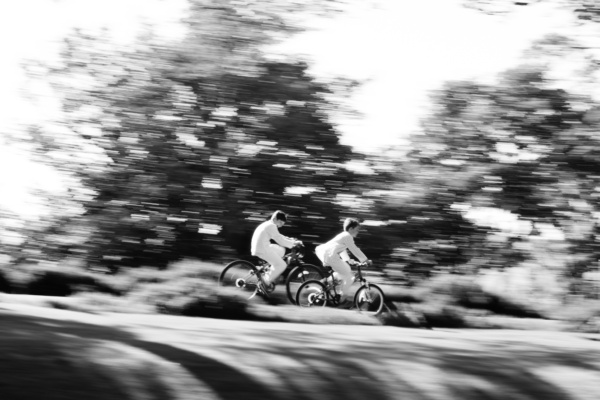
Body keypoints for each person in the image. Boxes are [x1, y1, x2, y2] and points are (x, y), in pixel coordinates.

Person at [315, 218, 371, 303]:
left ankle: (326, 282)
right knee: (349, 275)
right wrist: (365, 260)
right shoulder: (347, 236)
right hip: (330, 255)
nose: (358, 232)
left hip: (325, 253)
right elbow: (354, 249)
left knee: (345, 271)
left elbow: (341, 250)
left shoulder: (343, 235)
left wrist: (348, 260)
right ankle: (342, 298)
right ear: (351, 228)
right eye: (357, 229)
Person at [251, 210, 302, 290]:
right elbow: (280, 240)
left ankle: (268, 268)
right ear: (276, 219)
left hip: (260, 247)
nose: (281, 226)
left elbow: (279, 236)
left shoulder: (268, 224)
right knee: (282, 265)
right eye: (281, 223)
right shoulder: (272, 226)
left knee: (282, 250)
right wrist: (294, 244)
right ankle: (265, 281)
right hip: (263, 249)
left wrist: (291, 240)